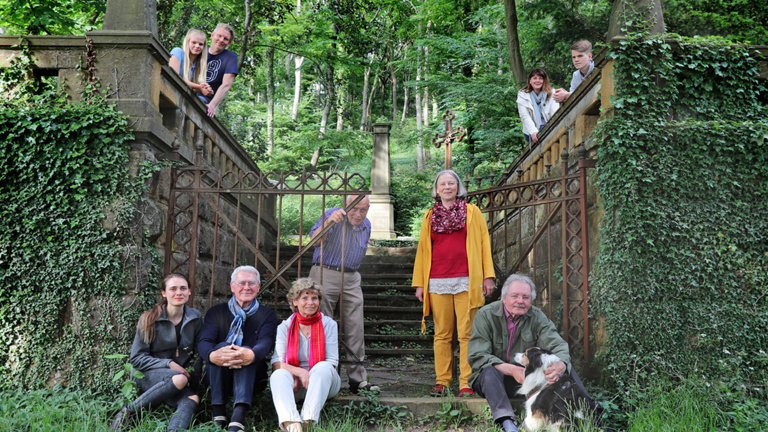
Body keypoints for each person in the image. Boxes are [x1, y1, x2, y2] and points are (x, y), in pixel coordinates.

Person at [467, 274, 591, 432]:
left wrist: (561, 364)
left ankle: (591, 415)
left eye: (525, 297)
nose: (520, 301)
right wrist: (512, 369)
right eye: (515, 296)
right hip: (493, 381)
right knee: (489, 372)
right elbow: (478, 355)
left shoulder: (537, 316)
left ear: (530, 300)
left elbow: (556, 343)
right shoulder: (485, 315)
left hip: (525, 381)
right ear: (504, 298)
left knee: (565, 367)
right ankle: (508, 423)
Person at [412, 170, 495, 397]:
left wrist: (488, 275)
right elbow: (422, 250)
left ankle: (466, 384)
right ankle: (443, 381)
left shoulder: (472, 212)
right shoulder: (429, 215)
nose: (447, 187)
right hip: (437, 281)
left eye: (451, 183)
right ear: (437, 189)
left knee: (467, 334)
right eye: (442, 184)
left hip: (468, 280)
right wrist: (420, 283)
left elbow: (483, 243)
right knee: (442, 334)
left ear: (458, 187)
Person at [110, 274, 203, 431]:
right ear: (164, 293)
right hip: (146, 374)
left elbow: (197, 353)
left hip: (179, 378)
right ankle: (128, 412)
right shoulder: (149, 319)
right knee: (179, 379)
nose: (178, 292)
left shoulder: (195, 317)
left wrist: (195, 380)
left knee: (192, 398)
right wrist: (169, 364)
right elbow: (137, 358)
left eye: (183, 288)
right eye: (173, 289)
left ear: (189, 292)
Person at [308, 195, 377, 394]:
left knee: (356, 327)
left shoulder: (367, 225)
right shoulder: (332, 214)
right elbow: (314, 241)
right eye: (355, 209)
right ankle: (323, 374)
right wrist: (329, 223)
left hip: (352, 276)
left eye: (363, 210)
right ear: (346, 205)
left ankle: (358, 379)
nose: (358, 214)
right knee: (322, 323)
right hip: (325, 271)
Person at [198, 266, 278, 432]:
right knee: (221, 347)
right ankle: (218, 411)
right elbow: (205, 341)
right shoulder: (216, 312)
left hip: (253, 377)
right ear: (232, 286)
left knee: (246, 350)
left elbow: (266, 341)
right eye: (242, 283)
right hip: (218, 376)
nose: (246, 287)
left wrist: (251, 354)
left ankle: (239, 414)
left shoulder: (267, 315)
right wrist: (213, 355)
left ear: (258, 287)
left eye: (251, 283)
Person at [270, 278, 341, 432]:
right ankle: (293, 424)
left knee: (323, 367)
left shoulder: (329, 324)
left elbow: (332, 362)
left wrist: (310, 375)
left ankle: (308, 421)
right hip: (295, 385)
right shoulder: (285, 326)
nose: (310, 302)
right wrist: (300, 373)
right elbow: (277, 363)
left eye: (314, 298)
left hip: (323, 383)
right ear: (295, 301)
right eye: (305, 298)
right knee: (278, 375)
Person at [203, 23, 239, 117]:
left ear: (229, 43)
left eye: (225, 39)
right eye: (219, 36)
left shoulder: (230, 57)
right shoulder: (200, 50)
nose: (221, 40)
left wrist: (212, 105)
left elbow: (226, 85)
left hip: (204, 98)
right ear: (212, 35)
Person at [168, 28, 214, 101]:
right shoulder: (178, 52)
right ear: (188, 42)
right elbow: (174, 78)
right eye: (194, 42)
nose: (197, 46)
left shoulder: (199, 65)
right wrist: (199, 87)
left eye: (200, 44)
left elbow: (189, 89)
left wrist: (205, 89)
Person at [517, 68, 560, 144]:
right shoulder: (522, 95)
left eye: (540, 78)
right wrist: (533, 132)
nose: (537, 81)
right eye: (535, 78)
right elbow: (525, 116)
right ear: (530, 81)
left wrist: (554, 128)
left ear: (544, 81)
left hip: (548, 126)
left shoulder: (552, 92)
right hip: (531, 131)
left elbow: (555, 112)